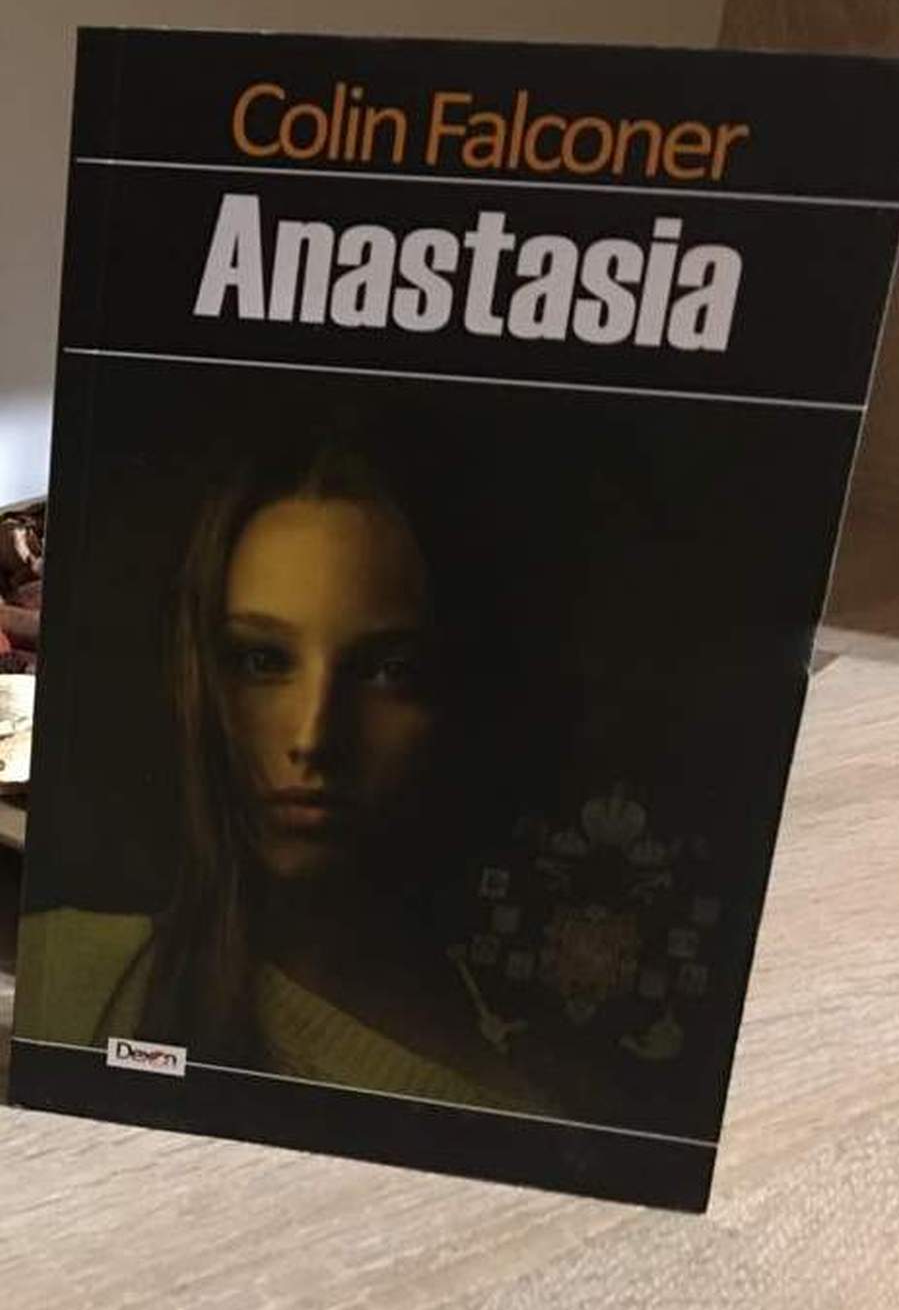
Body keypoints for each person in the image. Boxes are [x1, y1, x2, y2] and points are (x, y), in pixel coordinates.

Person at [16, 419, 552, 1114]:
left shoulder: (509, 1111)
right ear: (199, 674)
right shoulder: (71, 976)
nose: (313, 736)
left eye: (387, 670)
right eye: (262, 661)